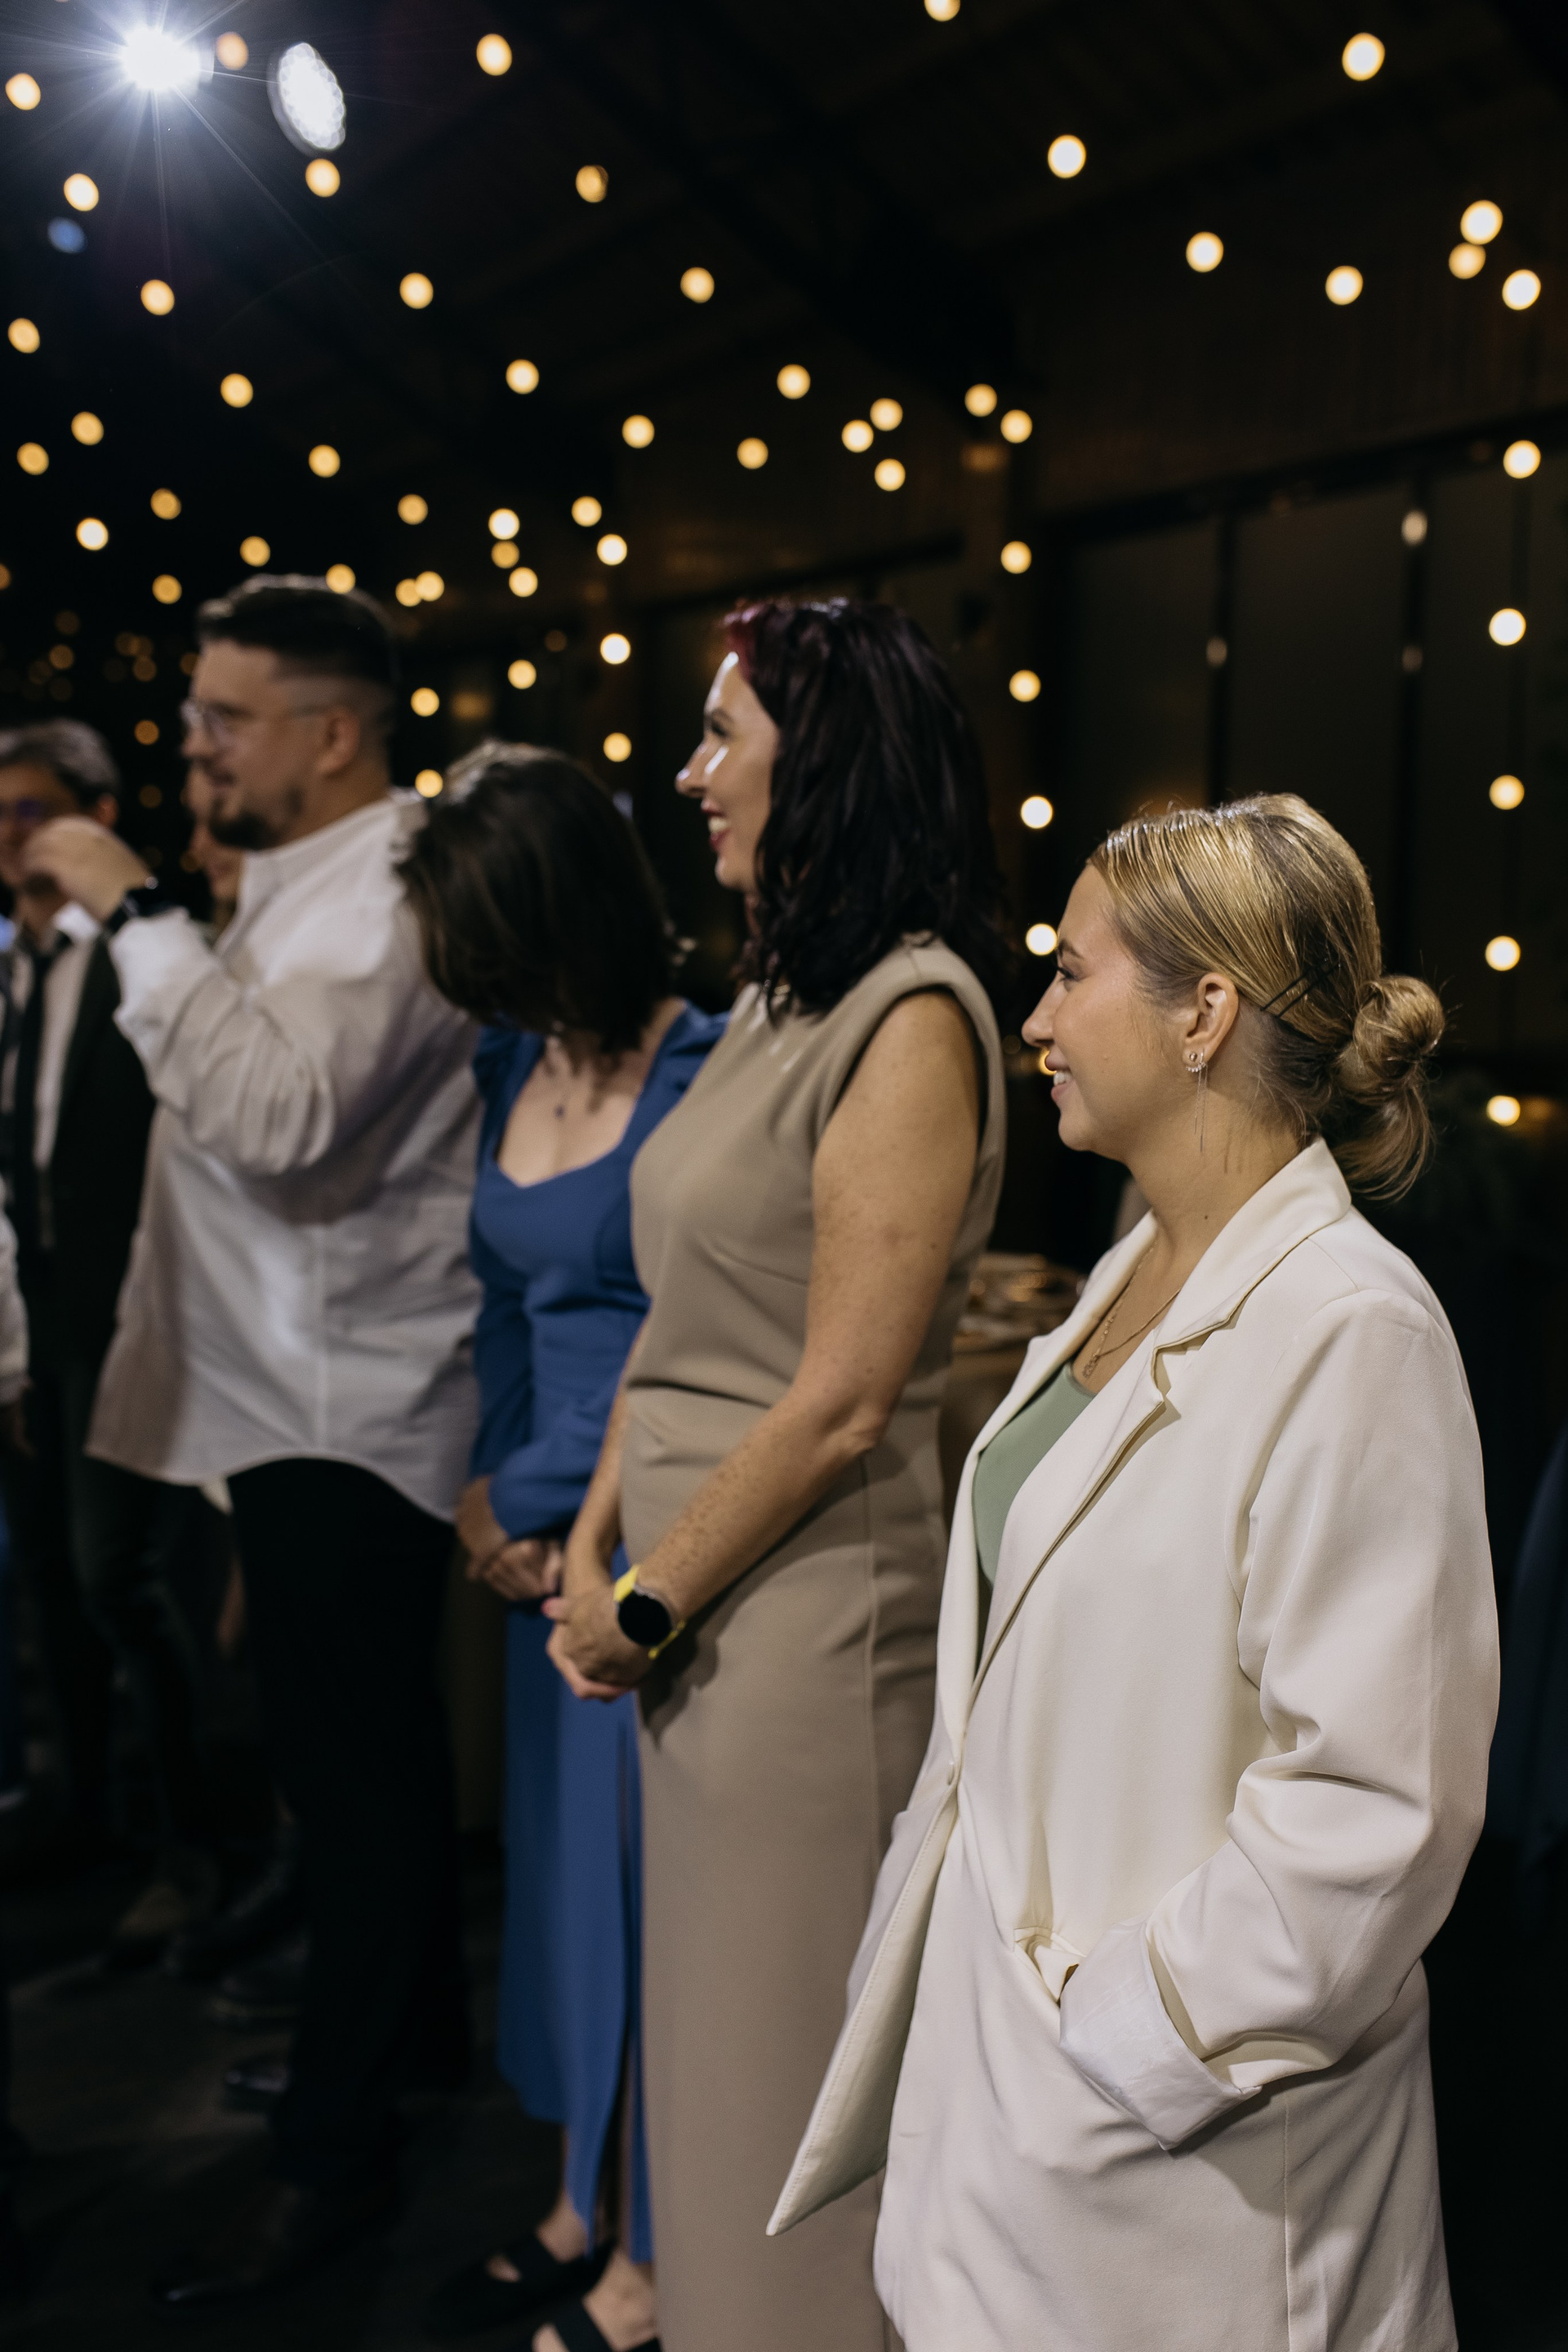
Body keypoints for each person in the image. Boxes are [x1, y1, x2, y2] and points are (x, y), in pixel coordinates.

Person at [771, 794, 1499, 2352]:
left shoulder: (1354, 1331)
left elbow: (1378, 1807)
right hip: (1012, 2120)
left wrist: (1123, 2036)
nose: (1034, 1021)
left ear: (1203, 1015)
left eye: (1070, 974)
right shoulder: (1133, 1265)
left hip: (1185, 2174)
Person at [546, 598, 1009, 2352]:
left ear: (819, 765)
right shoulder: (775, 993)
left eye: (720, 735)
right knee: (718, 2084)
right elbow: (676, 1311)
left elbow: (841, 1400)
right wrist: (598, 1533)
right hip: (692, 1607)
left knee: (789, 2109)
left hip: (799, 1629)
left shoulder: (912, 1016)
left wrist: (645, 1599)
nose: (691, 774)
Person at [24, 577, 483, 2307]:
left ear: (334, 731)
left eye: (225, 716)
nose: (194, 743)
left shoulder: (400, 886)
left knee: (350, 1792)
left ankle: (337, 2164)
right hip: (292, 1390)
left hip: (347, 1403)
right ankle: (404, 2053)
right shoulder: (302, 878)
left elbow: (278, 1115)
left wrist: (139, 909)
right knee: (366, 1773)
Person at [399, 743, 725, 2352]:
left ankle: (653, 2253)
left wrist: (548, 1516)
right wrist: (490, 1494)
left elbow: (684, 1337)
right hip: (534, 1524)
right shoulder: (503, 1062)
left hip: (648, 1527)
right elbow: (507, 1307)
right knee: (558, 1897)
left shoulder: (702, 1070)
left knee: (649, 1908)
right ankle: (579, 2194)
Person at [0, 722, 216, 1956]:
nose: (10, 838)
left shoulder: (144, 955)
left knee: (117, 1577)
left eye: (32, 811)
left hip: (125, 1315)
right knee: (47, 1582)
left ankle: (193, 1842)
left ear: (96, 815)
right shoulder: (15, 968)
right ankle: (80, 1807)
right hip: (27, 1325)